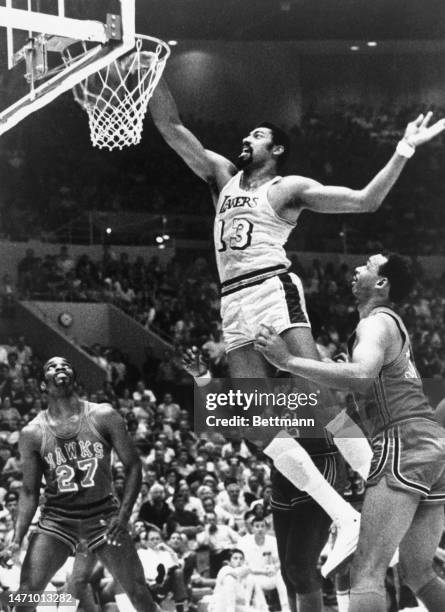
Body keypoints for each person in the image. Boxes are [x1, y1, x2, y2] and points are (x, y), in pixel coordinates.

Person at [149, 76, 445, 611]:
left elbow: (365, 201)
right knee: (255, 419)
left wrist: (403, 149)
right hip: (232, 301)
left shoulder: (286, 189)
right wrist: (147, 68)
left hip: (270, 287)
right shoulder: (221, 175)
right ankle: (346, 516)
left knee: (316, 397)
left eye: (259, 135)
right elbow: (170, 127)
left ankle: (368, 490)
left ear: (276, 149)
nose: (248, 139)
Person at [255, 253, 445, 612]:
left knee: (366, 572)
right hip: (430, 445)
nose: (357, 268)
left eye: (367, 266)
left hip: (403, 439)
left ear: (381, 283)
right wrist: (326, 370)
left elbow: (360, 378)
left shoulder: (374, 324)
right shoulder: (389, 326)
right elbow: (369, 381)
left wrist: (289, 361)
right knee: (418, 572)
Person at [0, 356, 159, 612]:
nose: (60, 367)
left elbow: (133, 466)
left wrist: (123, 514)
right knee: (26, 595)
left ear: (74, 378)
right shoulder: (32, 433)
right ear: (43, 385)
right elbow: (29, 491)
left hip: (103, 516)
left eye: (65, 365)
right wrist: (16, 540)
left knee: (139, 592)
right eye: (51, 366)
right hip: (58, 519)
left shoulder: (103, 415)